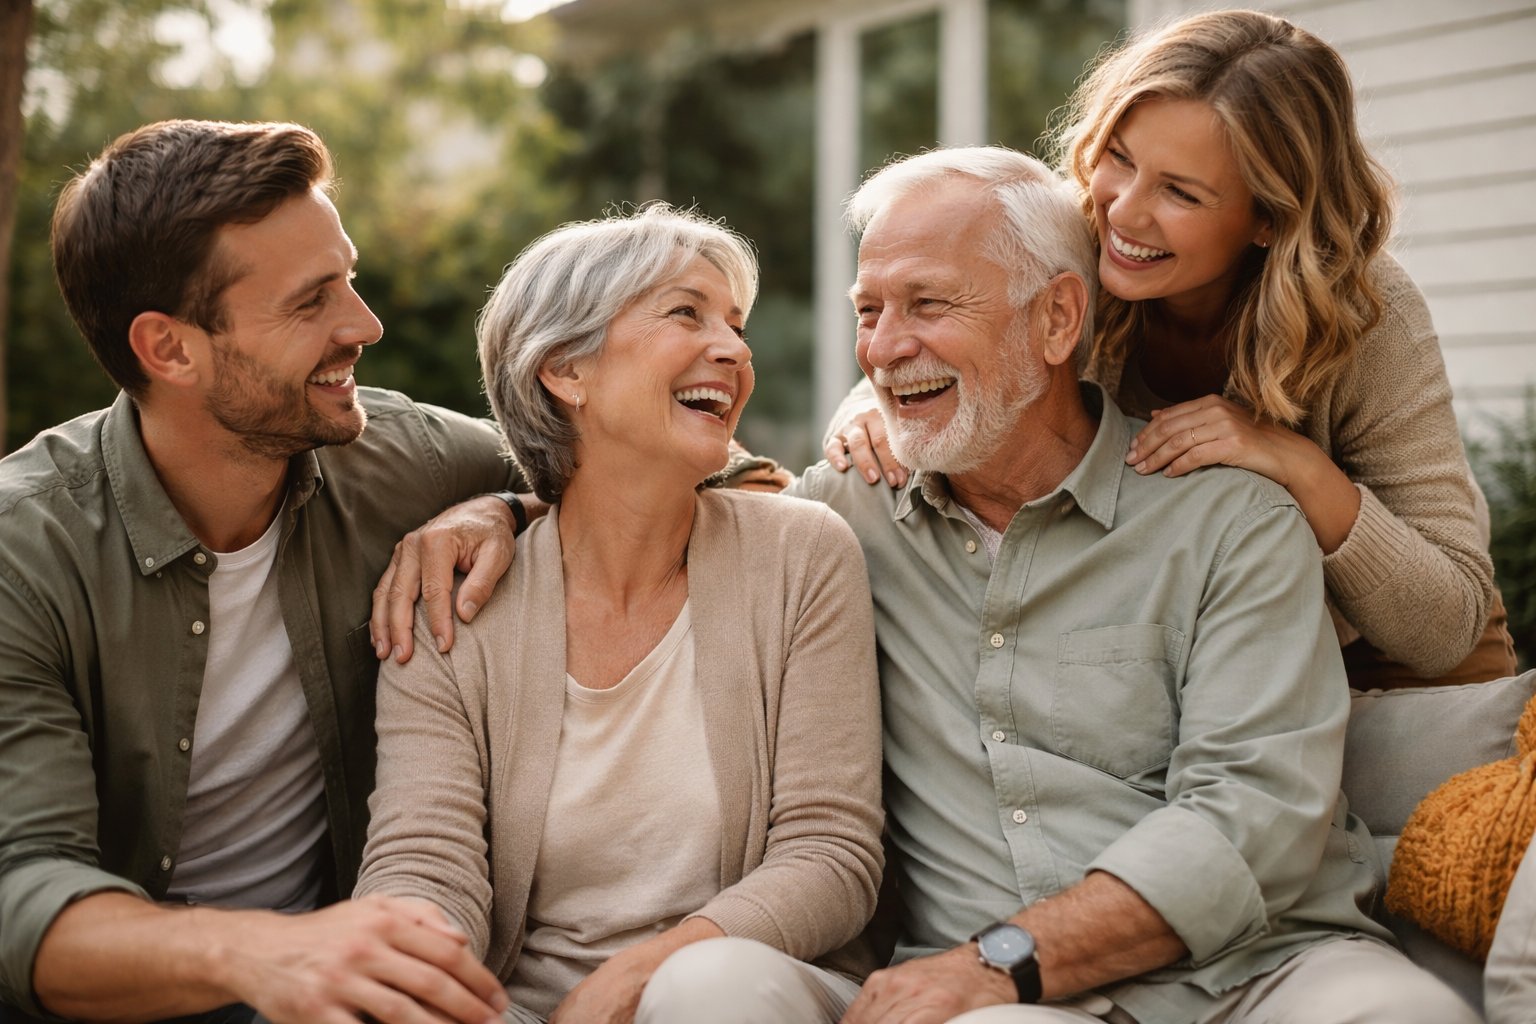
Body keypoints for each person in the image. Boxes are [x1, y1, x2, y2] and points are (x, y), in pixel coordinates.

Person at [380, 148, 1481, 1023]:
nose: (885, 348)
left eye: (928, 304)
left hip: (1256, 966)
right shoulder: (842, 516)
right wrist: (510, 513)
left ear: (1058, 321)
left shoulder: (1229, 513)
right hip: (992, 996)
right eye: (869, 311)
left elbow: (1252, 814)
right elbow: (638, 501)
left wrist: (997, 962)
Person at [0, 119, 522, 1024]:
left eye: (348, 278)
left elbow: (683, 468)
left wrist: (507, 507)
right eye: (311, 300)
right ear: (169, 350)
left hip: (347, 994)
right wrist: (269, 953)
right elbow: (19, 896)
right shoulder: (22, 553)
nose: (365, 325)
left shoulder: (408, 459)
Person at [826, 9, 1514, 691]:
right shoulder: (1074, 247)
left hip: (1386, 643)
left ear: (1269, 218)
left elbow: (1445, 624)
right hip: (1196, 649)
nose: (1123, 211)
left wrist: (1294, 463)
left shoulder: (1367, 312)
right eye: (1119, 158)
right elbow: (951, 325)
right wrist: (869, 407)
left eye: (1180, 192)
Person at [353, 205, 885, 1024]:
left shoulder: (802, 553)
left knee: (704, 988)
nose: (736, 350)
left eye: (735, 326)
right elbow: (424, 863)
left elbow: (831, 854)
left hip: (748, 989)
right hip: (520, 1010)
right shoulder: (448, 598)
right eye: (687, 313)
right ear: (566, 371)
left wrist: (647, 970)